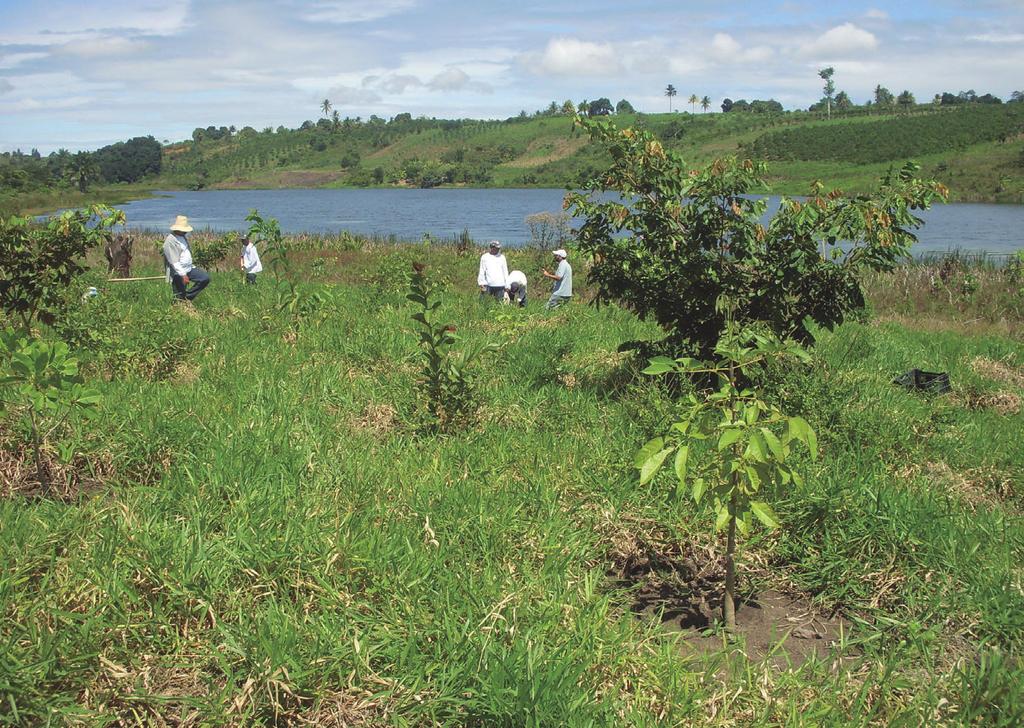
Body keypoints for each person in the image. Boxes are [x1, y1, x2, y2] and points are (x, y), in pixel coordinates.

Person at [163, 215, 210, 303]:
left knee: (204, 278)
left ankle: (187, 297)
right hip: (178, 272)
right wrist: (183, 275)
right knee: (179, 294)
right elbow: (174, 261)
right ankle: (180, 305)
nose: (185, 232)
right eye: (183, 230)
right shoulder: (170, 241)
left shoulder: (182, 237)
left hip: (189, 268)